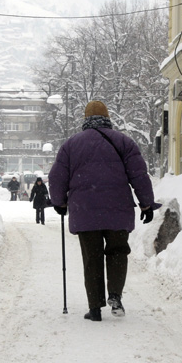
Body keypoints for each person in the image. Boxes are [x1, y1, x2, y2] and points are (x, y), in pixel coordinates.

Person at [49, 100, 160, 322]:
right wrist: (146, 203)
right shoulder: (124, 142)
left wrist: (59, 203)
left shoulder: (71, 145)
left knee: (92, 257)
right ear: (108, 118)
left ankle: (95, 307)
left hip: (84, 210)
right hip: (118, 208)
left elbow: (57, 176)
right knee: (118, 252)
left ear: (85, 119)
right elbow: (139, 175)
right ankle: (116, 296)